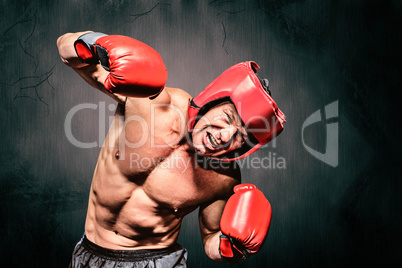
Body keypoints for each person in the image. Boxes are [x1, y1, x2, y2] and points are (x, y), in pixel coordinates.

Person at [57, 31, 286, 267]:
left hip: (158, 262)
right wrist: (95, 44)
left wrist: (232, 247)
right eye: (227, 118)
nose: (225, 136)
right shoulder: (152, 102)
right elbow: (66, 50)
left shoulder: (223, 178)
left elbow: (210, 239)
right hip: (90, 253)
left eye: (241, 136)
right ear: (211, 101)